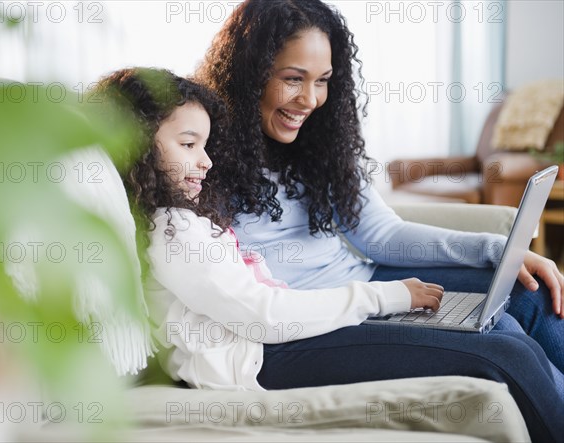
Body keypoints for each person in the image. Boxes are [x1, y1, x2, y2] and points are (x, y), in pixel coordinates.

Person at [92, 67, 563, 441]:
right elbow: (265, 314)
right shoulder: (169, 231)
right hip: (264, 358)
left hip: (278, 342)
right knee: (503, 353)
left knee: (507, 336)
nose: (207, 161)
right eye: (188, 144)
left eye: (205, 145)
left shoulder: (181, 220)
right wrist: (388, 296)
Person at [193, 0, 564, 439]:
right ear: (249, 74)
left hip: (363, 281)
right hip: (296, 329)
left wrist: (496, 249)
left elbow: (381, 234)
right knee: (505, 351)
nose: (309, 100)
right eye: (292, 79)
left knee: (528, 294)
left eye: (323, 81)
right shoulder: (198, 149)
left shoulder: (317, 140)